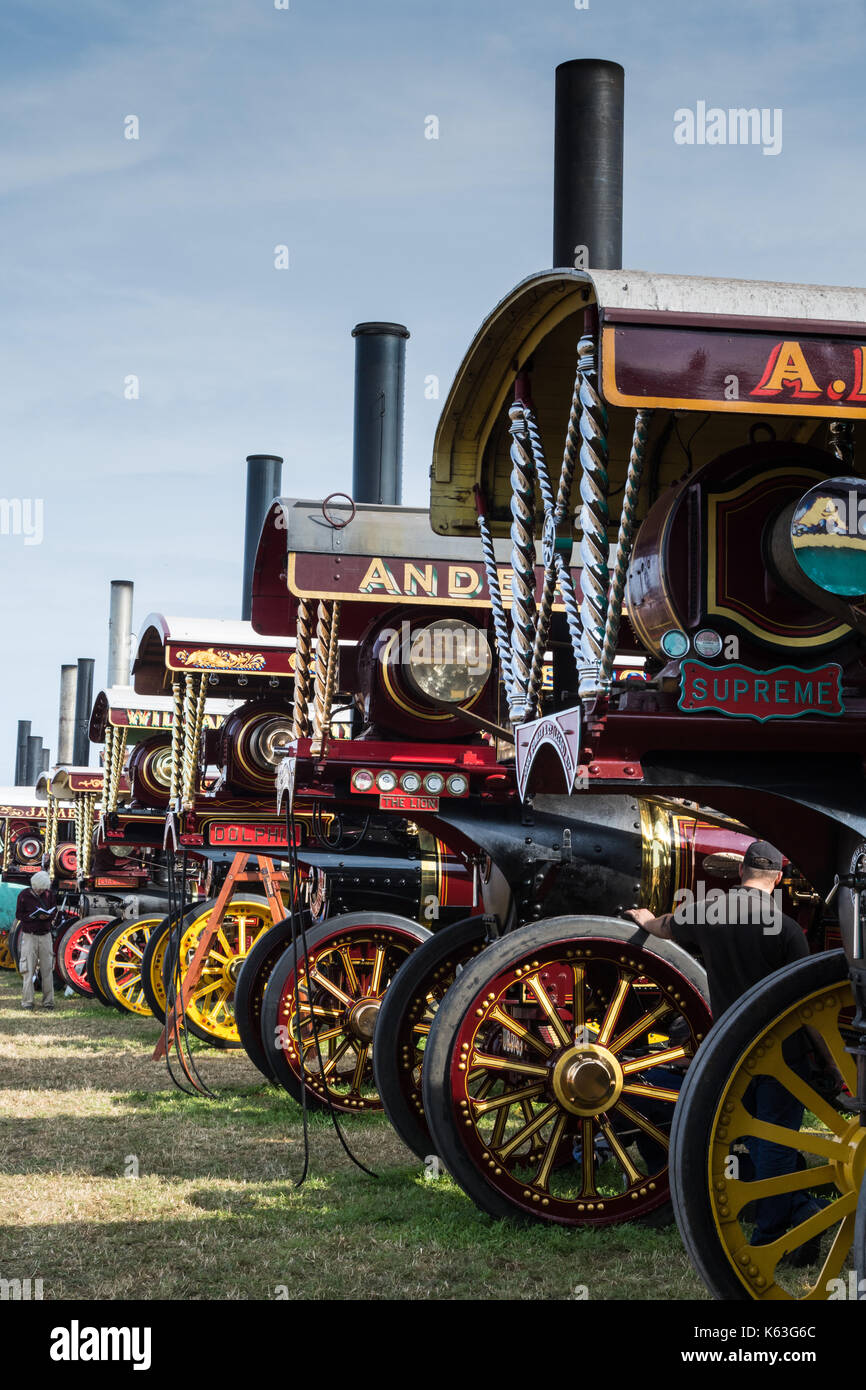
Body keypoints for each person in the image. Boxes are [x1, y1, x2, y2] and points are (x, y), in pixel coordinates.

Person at [624, 840, 844, 1264]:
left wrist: (644, 918)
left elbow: (665, 927)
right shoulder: (786, 929)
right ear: (777, 879)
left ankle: (789, 1213)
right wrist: (833, 1065)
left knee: (755, 1135)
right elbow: (805, 1008)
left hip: (734, 1051)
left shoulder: (709, 912)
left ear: (740, 872)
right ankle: (776, 1232)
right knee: (774, 1142)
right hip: (783, 1052)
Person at [16, 870, 57, 1012]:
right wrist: (33, 917)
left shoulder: (49, 894)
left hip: (45, 935)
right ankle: (27, 1001)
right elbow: (19, 914)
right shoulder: (23, 895)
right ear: (33, 884)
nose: (40, 891)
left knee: (47, 970)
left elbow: (54, 911)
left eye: (43, 889)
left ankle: (49, 1002)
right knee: (28, 969)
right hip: (29, 936)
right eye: (38, 888)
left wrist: (48, 916)